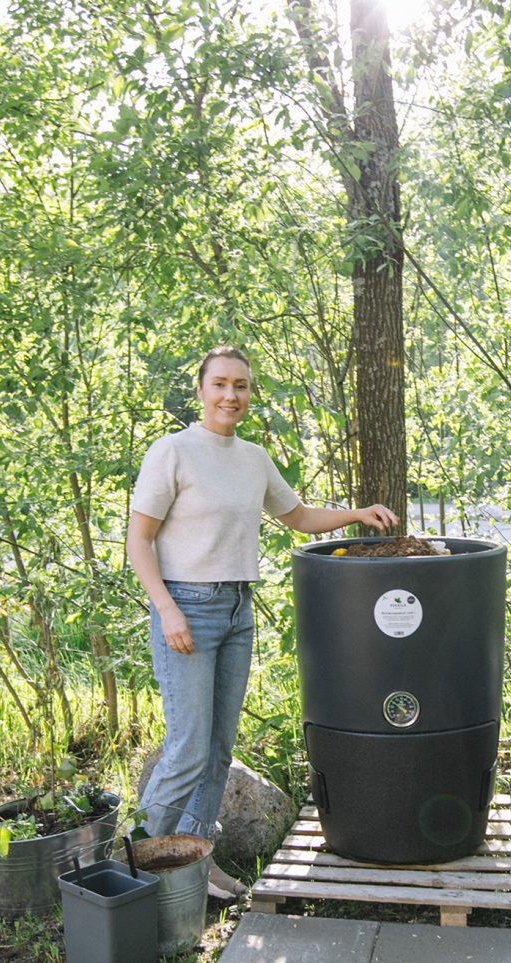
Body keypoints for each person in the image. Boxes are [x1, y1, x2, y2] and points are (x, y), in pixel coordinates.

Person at [126, 345, 398, 898]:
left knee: (219, 750)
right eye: (221, 384)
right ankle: (133, 867)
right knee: (187, 749)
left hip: (236, 611)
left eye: (242, 386)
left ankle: (197, 864)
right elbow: (139, 541)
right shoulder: (172, 451)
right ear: (201, 390)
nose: (231, 395)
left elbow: (297, 517)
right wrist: (167, 609)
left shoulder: (253, 459)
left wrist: (356, 512)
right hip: (187, 608)